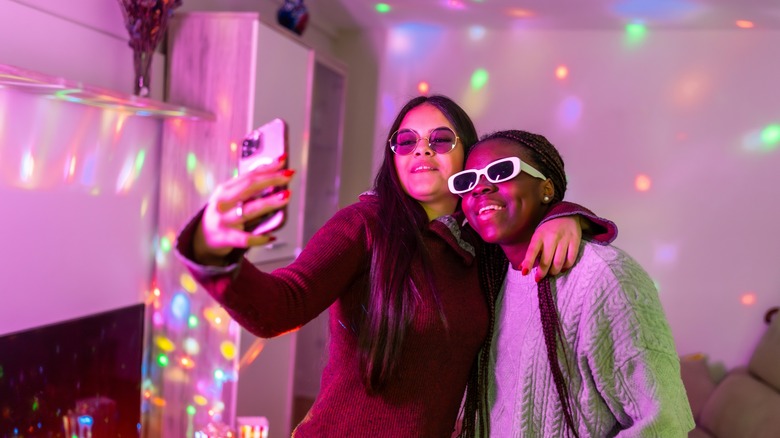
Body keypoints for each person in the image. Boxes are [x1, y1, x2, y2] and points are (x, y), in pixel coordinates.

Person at [176, 96, 617, 437]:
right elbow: (281, 306)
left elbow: (530, 209)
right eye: (406, 141)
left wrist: (566, 216)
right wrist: (213, 251)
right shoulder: (364, 224)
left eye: (441, 140)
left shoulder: (480, 240)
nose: (422, 150)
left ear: (470, 154)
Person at [452, 130, 694, 437]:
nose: (480, 187)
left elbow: (663, 424)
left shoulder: (604, 275)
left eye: (501, 171)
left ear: (546, 188)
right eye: (467, 181)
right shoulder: (489, 278)